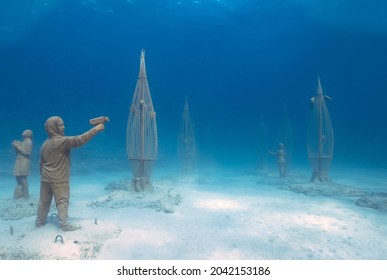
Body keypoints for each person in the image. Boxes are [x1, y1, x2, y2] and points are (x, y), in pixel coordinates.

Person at [35, 116, 105, 231]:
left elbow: (40, 163)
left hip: (45, 178)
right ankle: (64, 225)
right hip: (59, 178)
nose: (64, 127)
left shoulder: (45, 144)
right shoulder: (62, 141)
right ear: (54, 127)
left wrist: (43, 176)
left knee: (43, 202)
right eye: (61, 125)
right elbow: (80, 139)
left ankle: (39, 222)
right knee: (62, 201)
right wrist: (96, 129)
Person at [12, 129, 33, 199]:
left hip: (24, 161)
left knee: (23, 177)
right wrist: (16, 146)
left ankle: (26, 194)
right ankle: (21, 193)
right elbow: (18, 152)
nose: (24, 131)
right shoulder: (23, 142)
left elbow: (27, 153)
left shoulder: (29, 142)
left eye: (26, 131)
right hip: (18, 161)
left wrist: (17, 146)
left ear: (29, 134)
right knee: (17, 176)